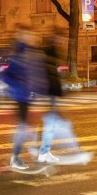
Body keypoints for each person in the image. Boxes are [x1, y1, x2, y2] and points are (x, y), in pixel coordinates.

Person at [1, 26, 33, 169]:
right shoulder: (18, 55)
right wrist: (18, 86)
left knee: (25, 128)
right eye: (28, 35)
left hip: (24, 97)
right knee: (23, 128)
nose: (32, 37)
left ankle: (17, 155)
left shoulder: (26, 53)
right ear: (22, 37)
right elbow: (4, 75)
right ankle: (15, 157)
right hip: (20, 97)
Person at [37, 35, 63, 163]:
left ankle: (45, 151)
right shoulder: (50, 54)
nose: (62, 41)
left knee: (50, 125)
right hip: (49, 94)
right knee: (49, 125)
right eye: (60, 39)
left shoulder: (49, 53)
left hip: (49, 94)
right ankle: (43, 152)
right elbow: (51, 77)